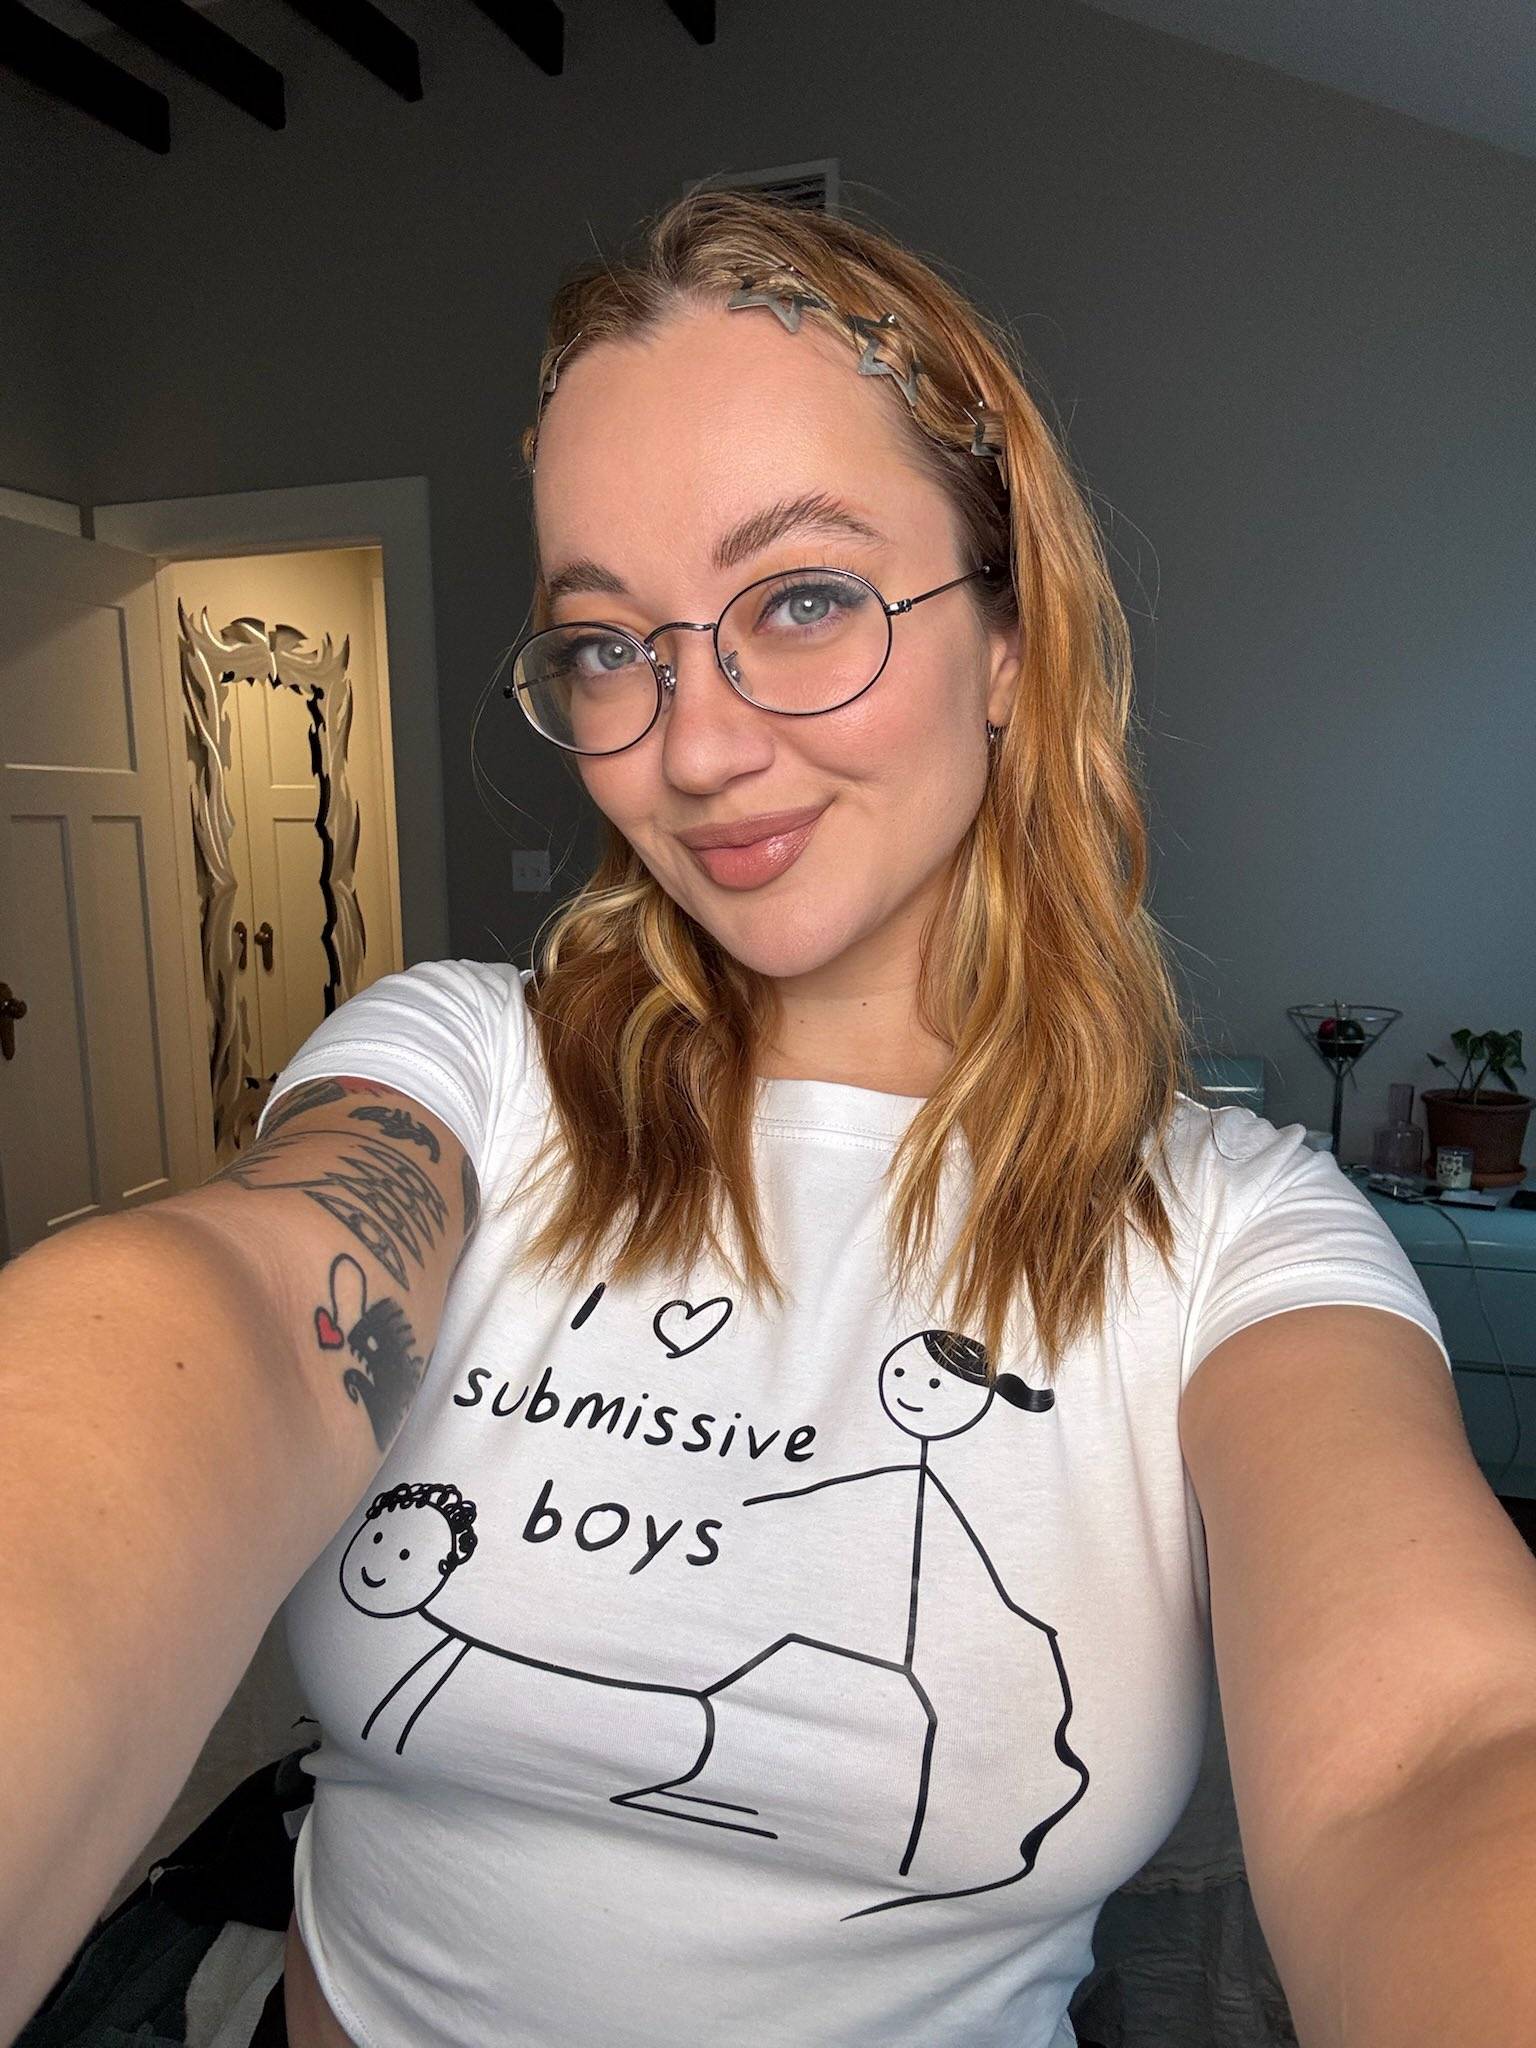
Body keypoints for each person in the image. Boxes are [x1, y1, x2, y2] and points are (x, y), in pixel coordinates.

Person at [0, 189, 1465, 2048]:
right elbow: (208, 1316)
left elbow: (1438, 1758)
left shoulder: (1232, 1233)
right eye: (609, 644)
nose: (691, 748)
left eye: (805, 600)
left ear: (1010, 642)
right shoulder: (471, 1071)